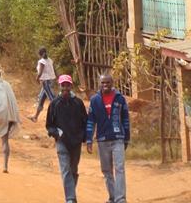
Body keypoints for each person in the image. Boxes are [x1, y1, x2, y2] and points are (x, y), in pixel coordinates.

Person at [86, 73, 130, 203]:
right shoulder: (94, 100)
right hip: (102, 140)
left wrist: (127, 138)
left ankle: (120, 199)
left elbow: (125, 119)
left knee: (119, 168)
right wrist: (89, 139)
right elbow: (91, 121)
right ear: (100, 84)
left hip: (118, 139)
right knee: (106, 170)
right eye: (103, 83)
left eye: (108, 82)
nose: (105, 85)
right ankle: (112, 197)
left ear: (112, 83)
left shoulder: (120, 98)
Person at [46, 74, 88, 203]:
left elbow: (85, 122)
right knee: (66, 170)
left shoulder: (78, 103)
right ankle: (70, 198)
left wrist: (83, 137)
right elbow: (49, 125)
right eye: (63, 85)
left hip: (76, 142)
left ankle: (71, 193)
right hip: (62, 142)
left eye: (67, 85)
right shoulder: (54, 103)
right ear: (59, 86)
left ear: (71, 86)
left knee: (73, 170)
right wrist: (56, 134)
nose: (65, 88)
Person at [30, 47, 56, 122]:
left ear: (40, 54)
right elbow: (53, 70)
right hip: (50, 81)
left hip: (46, 82)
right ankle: (35, 117)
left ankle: (61, 117)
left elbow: (40, 72)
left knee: (53, 99)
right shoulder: (50, 60)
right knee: (41, 99)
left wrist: (37, 78)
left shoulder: (42, 61)